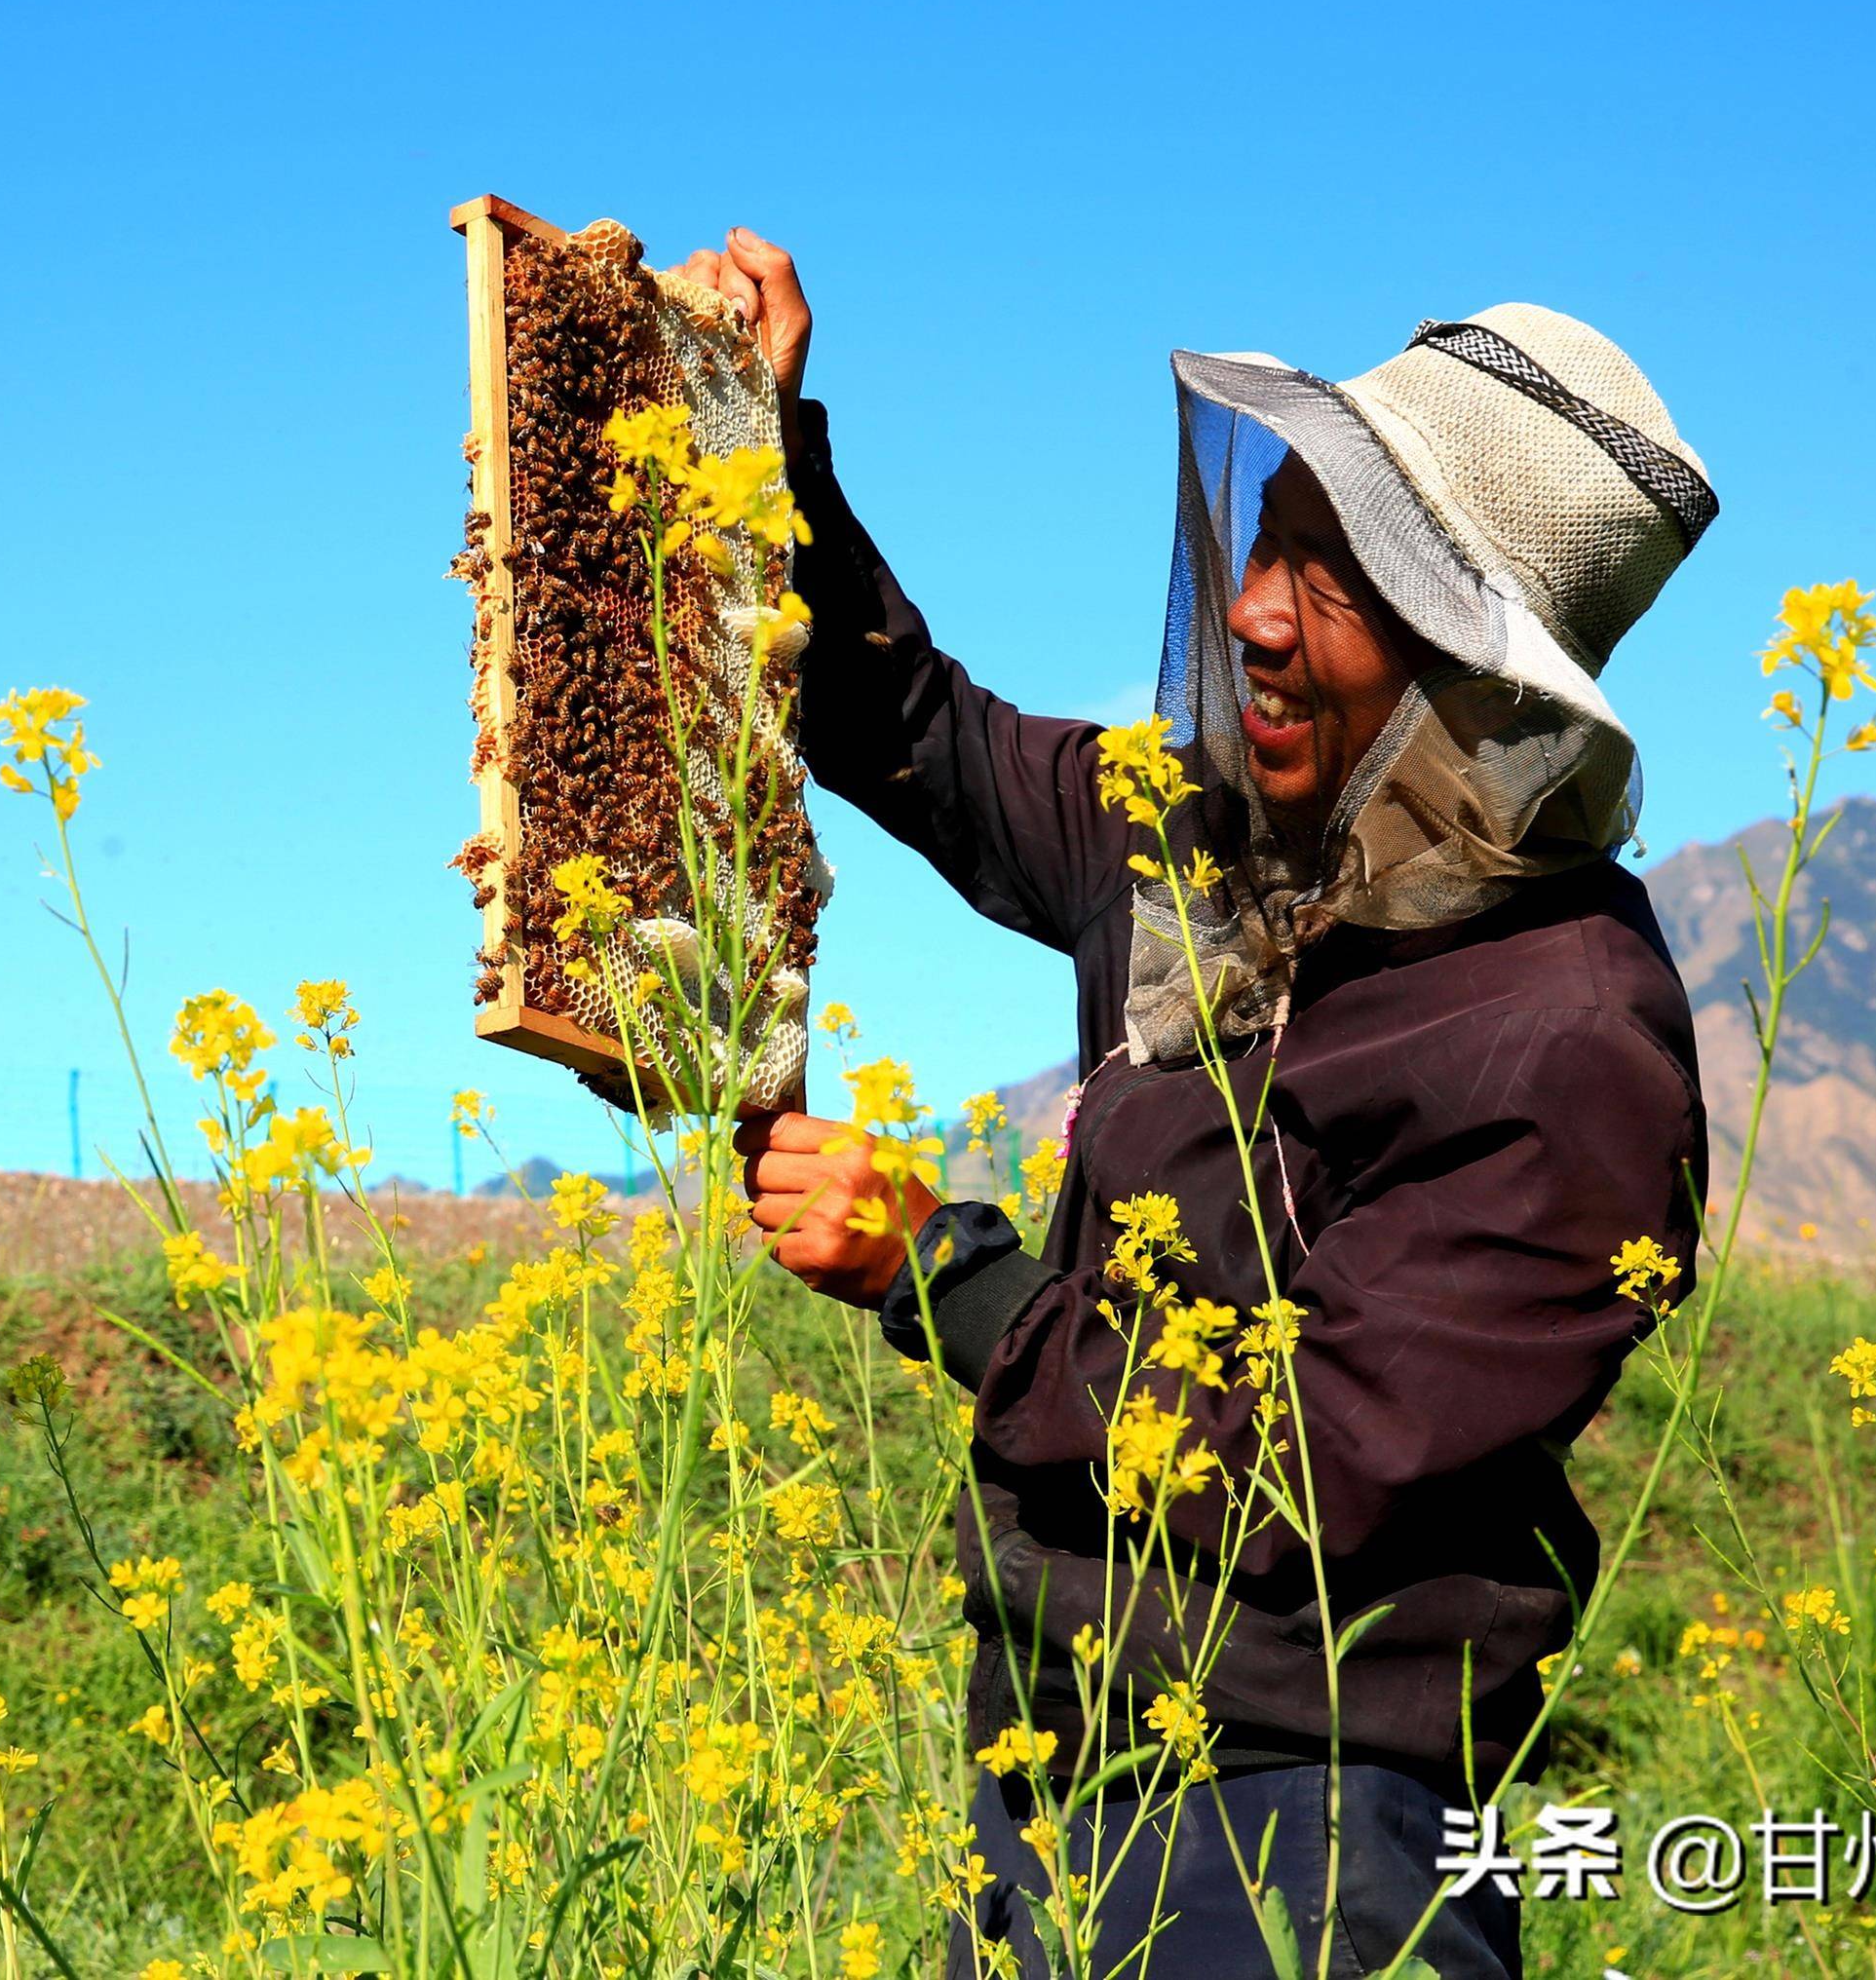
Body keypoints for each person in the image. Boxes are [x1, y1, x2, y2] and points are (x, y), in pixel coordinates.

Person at [694, 232, 1714, 1980]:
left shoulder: (1572, 1031)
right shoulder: (1207, 838)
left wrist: (940, 1266)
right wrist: (758, 445)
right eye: (1276, 536)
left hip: (1317, 1820)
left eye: (1338, 579)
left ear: (1476, 662)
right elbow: (912, 728)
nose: (1254, 607)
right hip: (1052, 1770)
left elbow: (1322, 1450)